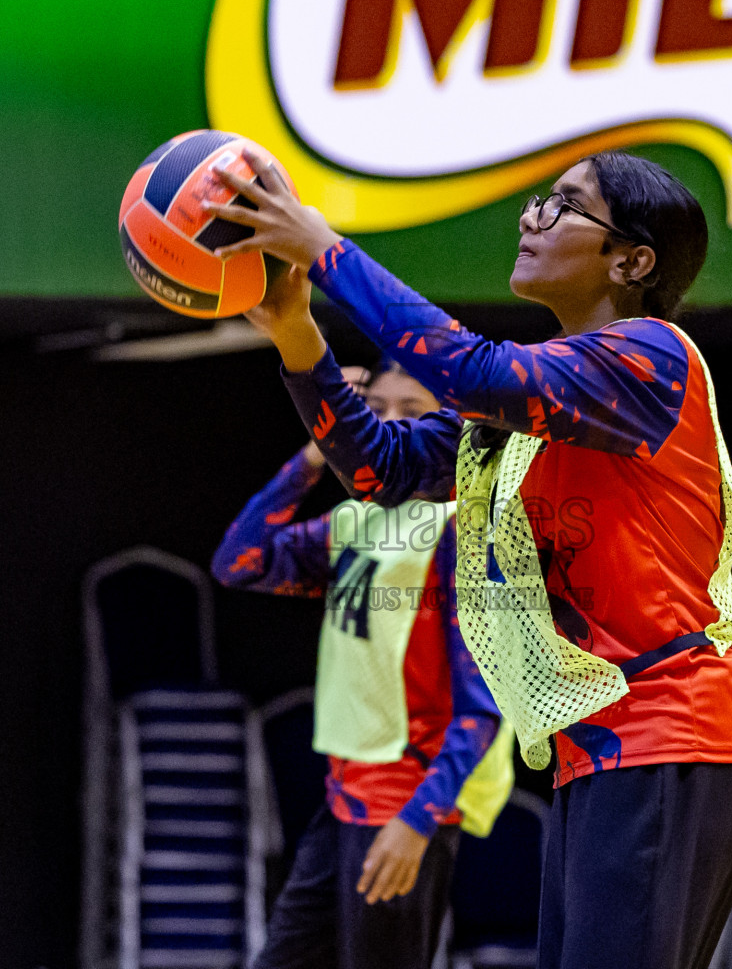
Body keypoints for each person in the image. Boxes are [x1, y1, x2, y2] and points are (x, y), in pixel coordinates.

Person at [204, 150, 732, 969]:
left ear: (632, 261)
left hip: (674, 730)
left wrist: (325, 246)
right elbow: (379, 471)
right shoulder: (529, 408)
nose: (530, 216)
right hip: (600, 742)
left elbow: (463, 368)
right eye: (538, 200)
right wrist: (297, 332)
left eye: (564, 206)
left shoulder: (653, 356)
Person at [211, 362, 509, 969]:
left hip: (403, 806)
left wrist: (419, 820)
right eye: (376, 410)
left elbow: (485, 708)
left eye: (413, 410)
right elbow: (237, 561)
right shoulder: (358, 522)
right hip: (345, 797)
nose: (391, 426)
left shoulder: (469, 535)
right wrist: (317, 454)